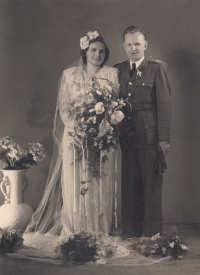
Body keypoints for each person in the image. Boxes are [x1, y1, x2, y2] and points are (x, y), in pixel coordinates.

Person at [24, 31, 121, 249]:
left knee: (99, 181)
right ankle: (75, 229)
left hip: (102, 139)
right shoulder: (69, 75)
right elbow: (65, 108)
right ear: (84, 52)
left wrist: (100, 128)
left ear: (106, 55)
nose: (97, 55)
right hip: (75, 138)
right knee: (76, 183)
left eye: (101, 51)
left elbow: (115, 105)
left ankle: (98, 230)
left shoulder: (112, 74)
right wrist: (82, 128)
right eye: (93, 50)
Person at [114, 26, 171, 237]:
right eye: (128, 44)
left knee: (151, 188)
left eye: (137, 43)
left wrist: (164, 139)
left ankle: (152, 234)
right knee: (130, 186)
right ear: (124, 46)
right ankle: (130, 233)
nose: (133, 48)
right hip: (127, 137)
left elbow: (164, 105)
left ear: (145, 44)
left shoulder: (157, 68)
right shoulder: (118, 70)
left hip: (150, 137)